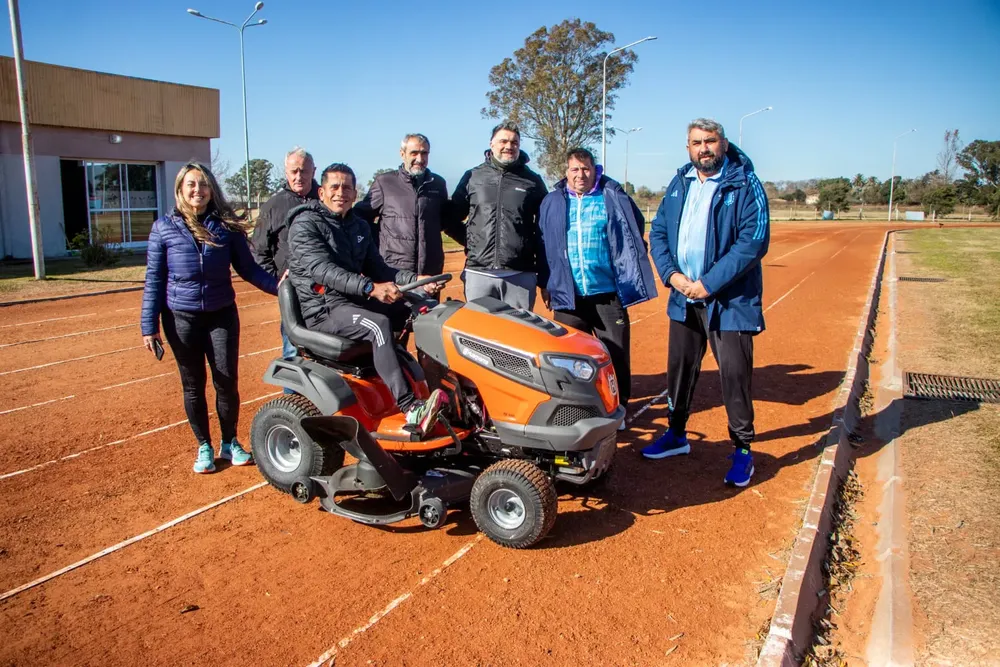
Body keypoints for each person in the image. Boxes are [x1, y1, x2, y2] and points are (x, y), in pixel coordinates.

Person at [643, 118, 770, 488]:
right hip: (684, 296)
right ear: (688, 147)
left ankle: (743, 450)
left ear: (724, 144)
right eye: (696, 142)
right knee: (679, 371)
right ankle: (676, 434)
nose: (704, 148)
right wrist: (672, 275)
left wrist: (708, 284)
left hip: (729, 300)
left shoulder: (744, 183)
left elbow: (753, 241)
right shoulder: (679, 182)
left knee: (734, 375)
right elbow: (659, 232)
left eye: (710, 141)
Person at [286, 163, 447, 434]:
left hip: (353, 300)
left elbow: (381, 269)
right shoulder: (305, 225)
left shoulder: (358, 226)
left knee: (425, 309)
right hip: (324, 309)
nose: (341, 192)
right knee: (378, 325)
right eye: (334, 187)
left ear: (354, 193)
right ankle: (411, 408)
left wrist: (418, 280)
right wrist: (371, 288)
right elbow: (324, 271)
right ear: (321, 192)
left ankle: (443, 391)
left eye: (347, 188)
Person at [141, 163, 279, 474]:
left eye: (203, 184)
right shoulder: (163, 228)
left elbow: (249, 270)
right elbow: (154, 279)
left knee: (226, 382)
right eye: (191, 184)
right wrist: (149, 326)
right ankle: (204, 445)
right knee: (193, 385)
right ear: (180, 189)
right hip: (180, 319)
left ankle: (229, 442)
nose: (198, 190)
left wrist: (280, 287)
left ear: (211, 190)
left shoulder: (226, 228)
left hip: (222, 315)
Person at [537, 147, 659, 429]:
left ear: (595, 170)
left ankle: (619, 407)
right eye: (575, 169)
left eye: (586, 169)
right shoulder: (552, 202)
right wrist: (546, 283)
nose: (580, 175)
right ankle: (576, 409)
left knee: (615, 354)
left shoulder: (611, 197)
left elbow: (634, 228)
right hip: (568, 295)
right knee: (567, 358)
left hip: (607, 294)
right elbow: (542, 244)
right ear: (566, 172)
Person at [449, 121, 547, 310]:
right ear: (491, 144)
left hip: (520, 275)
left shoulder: (532, 181)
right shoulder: (473, 177)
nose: (509, 146)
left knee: (518, 329)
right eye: (503, 141)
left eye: (514, 142)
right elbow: (451, 218)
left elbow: (545, 228)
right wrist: (472, 241)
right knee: (480, 329)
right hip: (479, 273)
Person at [354, 134, 461, 280]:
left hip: (430, 271)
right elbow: (359, 216)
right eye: (414, 153)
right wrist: (380, 241)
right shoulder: (384, 182)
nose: (420, 159)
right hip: (394, 271)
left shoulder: (438, 184)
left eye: (424, 153)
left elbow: (444, 220)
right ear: (402, 154)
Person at [251, 146, 319, 364]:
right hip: (294, 292)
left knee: (327, 349)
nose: (299, 176)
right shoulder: (274, 206)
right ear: (286, 172)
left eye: (304, 171)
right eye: (294, 171)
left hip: (328, 291)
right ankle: (292, 386)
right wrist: (278, 284)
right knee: (292, 351)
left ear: (313, 171)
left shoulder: (326, 199)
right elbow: (259, 251)